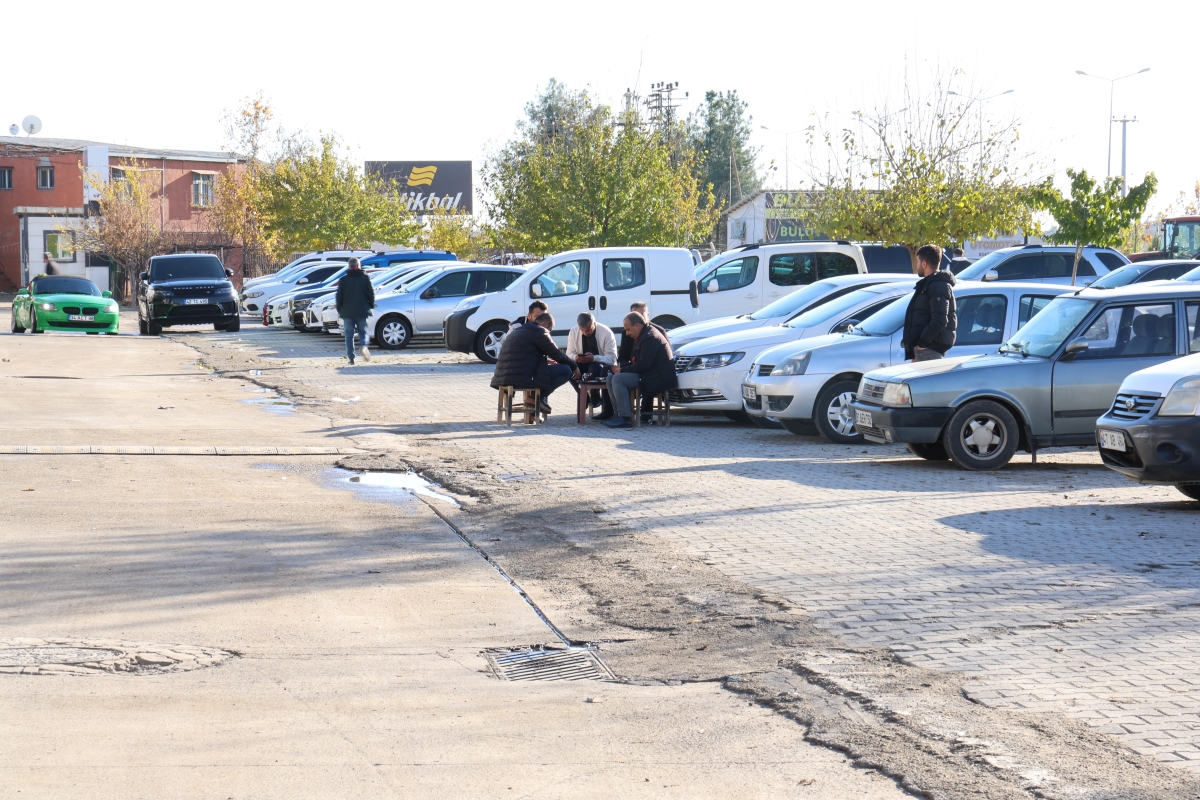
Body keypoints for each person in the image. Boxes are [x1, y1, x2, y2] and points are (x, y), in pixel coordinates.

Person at [490, 312, 580, 416]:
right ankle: (536, 398)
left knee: (545, 374)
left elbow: (522, 355)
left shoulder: (518, 330)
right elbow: (557, 354)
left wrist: (545, 360)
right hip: (521, 377)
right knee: (566, 370)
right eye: (550, 330)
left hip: (503, 377)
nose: (549, 332)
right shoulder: (539, 331)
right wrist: (574, 366)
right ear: (546, 323)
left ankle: (535, 402)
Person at [603, 311, 677, 429]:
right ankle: (617, 414)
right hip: (649, 373)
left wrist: (623, 370)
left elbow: (644, 364)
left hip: (658, 377)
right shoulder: (643, 334)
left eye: (628, 329)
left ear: (637, 326)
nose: (626, 334)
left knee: (618, 379)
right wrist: (622, 368)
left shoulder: (650, 337)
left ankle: (625, 418)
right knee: (610, 377)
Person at [902, 244, 957, 362]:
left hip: (929, 349)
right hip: (924, 349)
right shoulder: (930, 284)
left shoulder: (938, 286)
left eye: (918, 261)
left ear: (924, 264)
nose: (917, 266)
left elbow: (940, 320)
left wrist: (921, 345)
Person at [567, 312, 618, 414]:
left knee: (594, 367)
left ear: (594, 323)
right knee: (568, 369)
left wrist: (594, 358)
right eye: (583, 331)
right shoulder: (573, 331)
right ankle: (584, 397)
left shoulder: (606, 332)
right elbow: (569, 354)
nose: (586, 333)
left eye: (589, 330)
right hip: (581, 364)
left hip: (600, 365)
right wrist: (576, 357)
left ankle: (595, 397)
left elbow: (612, 358)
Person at [336, 257, 375, 365]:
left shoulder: (344, 280)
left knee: (349, 335)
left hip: (347, 312)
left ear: (349, 266)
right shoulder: (365, 278)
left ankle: (351, 358)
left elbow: (339, 296)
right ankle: (363, 346)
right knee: (363, 332)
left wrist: (339, 308)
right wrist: (371, 305)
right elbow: (371, 293)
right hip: (362, 310)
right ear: (358, 266)